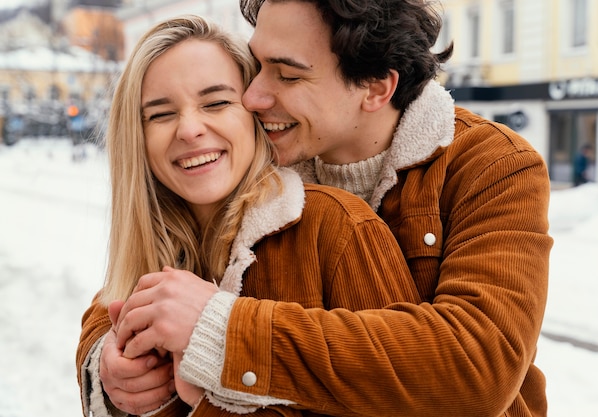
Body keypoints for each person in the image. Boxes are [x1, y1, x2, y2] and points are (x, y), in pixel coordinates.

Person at [85, 1, 554, 416]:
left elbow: (476, 366)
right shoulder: (259, 151)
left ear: (375, 88)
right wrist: (104, 358)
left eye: (287, 74)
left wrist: (224, 332)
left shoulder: (493, 166)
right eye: (257, 65)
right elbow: (147, 252)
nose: (252, 96)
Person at [75, 14, 422, 417]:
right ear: (137, 137)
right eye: (161, 113)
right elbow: (104, 312)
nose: (189, 130)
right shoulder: (147, 254)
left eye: (217, 102)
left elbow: (409, 397)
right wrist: (110, 377)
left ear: (257, 113)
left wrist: (214, 396)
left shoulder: (337, 227)